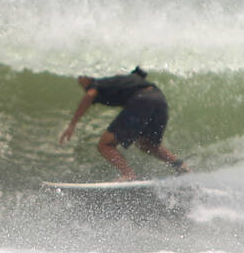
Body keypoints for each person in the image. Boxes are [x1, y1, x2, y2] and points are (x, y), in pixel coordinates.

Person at [59, 66, 190, 181]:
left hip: (142, 100)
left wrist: (72, 125)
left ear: (88, 77)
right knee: (147, 143)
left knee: (104, 145)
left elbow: (90, 94)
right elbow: (139, 74)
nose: (79, 81)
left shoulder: (97, 83)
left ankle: (128, 174)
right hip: (159, 99)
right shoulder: (116, 79)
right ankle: (181, 166)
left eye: (80, 78)